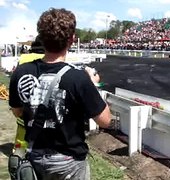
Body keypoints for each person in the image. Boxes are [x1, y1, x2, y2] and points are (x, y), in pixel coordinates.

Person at [9, 8, 111, 180]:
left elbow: (18, 112)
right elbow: (105, 120)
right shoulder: (78, 78)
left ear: (41, 37)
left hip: (34, 156)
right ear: (71, 40)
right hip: (69, 162)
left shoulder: (21, 72)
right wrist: (94, 86)